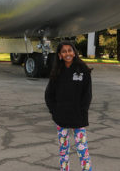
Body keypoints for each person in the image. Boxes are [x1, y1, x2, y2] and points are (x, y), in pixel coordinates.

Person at [45, 41, 93, 171]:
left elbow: (87, 94)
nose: (67, 53)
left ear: (74, 52)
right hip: (61, 117)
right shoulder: (57, 72)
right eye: (64, 51)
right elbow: (49, 94)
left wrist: (82, 111)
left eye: (69, 50)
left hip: (78, 116)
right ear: (60, 55)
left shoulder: (83, 70)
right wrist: (54, 111)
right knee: (63, 150)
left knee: (82, 150)